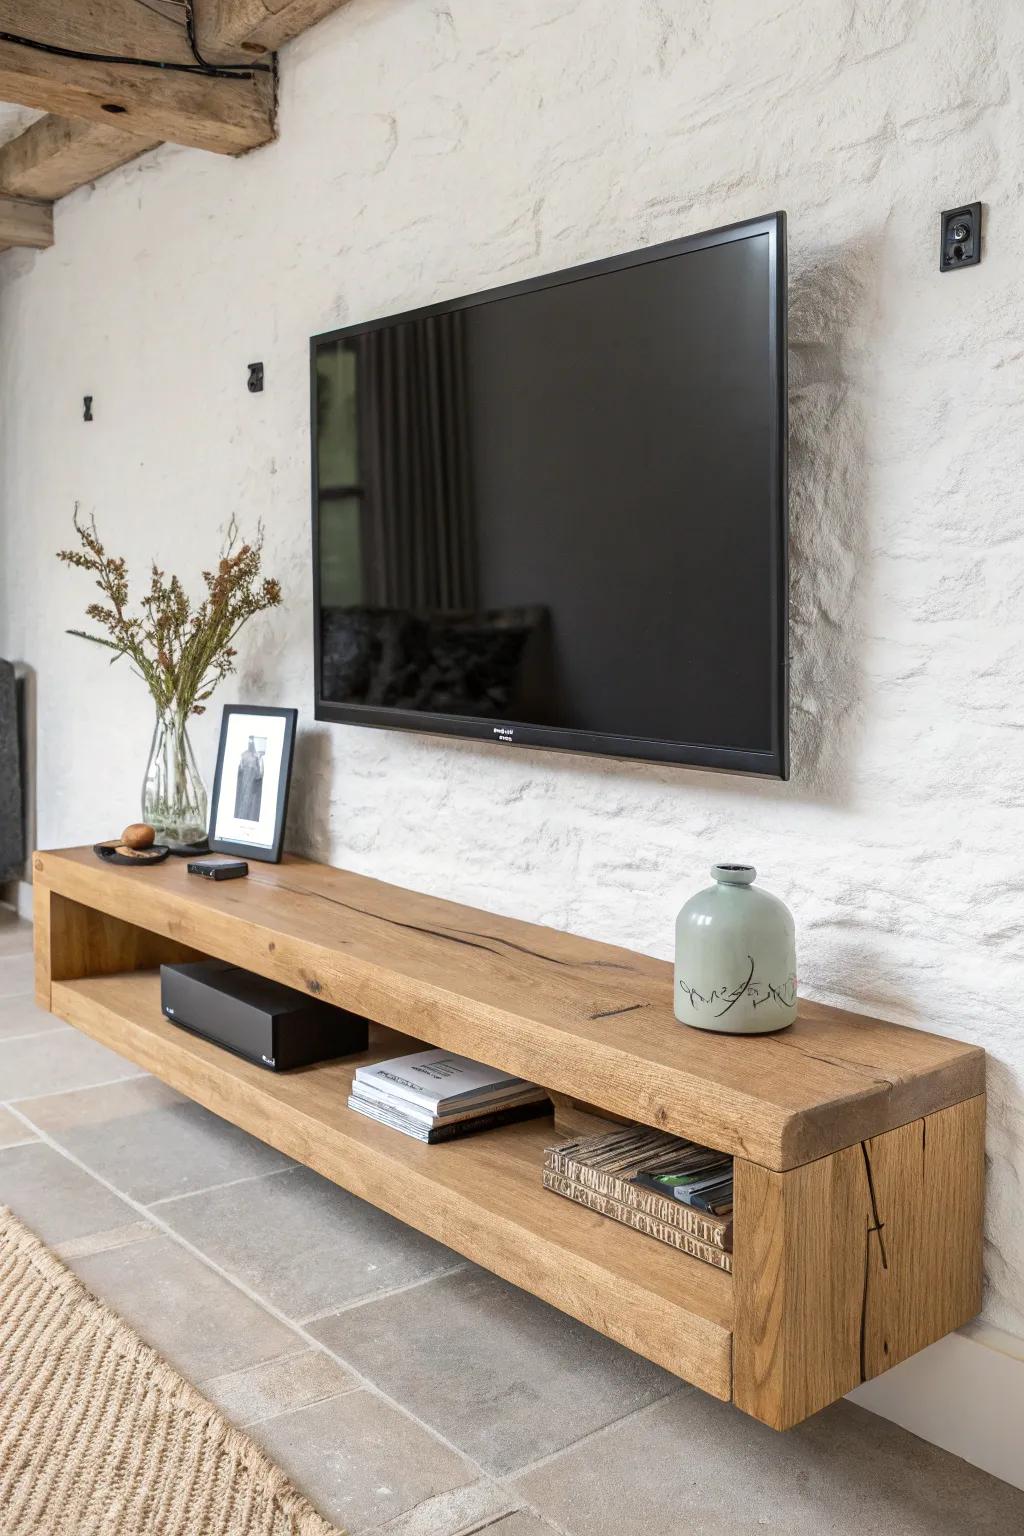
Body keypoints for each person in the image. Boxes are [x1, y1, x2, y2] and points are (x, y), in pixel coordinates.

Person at [234, 736, 264, 821]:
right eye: (249, 741)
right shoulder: (244, 754)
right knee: (242, 799)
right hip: (244, 780)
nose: (250, 743)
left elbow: (259, 773)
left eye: (251, 741)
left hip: (251, 781)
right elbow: (240, 767)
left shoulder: (256, 756)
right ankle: (240, 818)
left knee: (249, 801)